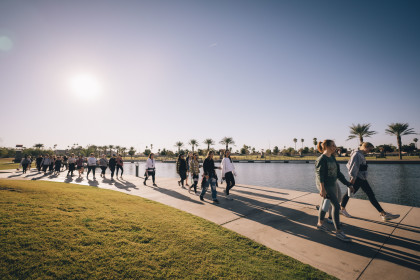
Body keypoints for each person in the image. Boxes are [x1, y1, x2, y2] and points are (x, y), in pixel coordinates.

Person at [340, 142, 400, 221]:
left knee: (370, 194)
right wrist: (352, 179)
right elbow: (353, 167)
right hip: (357, 178)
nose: (370, 151)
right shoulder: (357, 154)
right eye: (370, 149)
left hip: (362, 178)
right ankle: (342, 209)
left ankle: (383, 213)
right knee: (350, 193)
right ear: (365, 147)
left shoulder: (360, 154)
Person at [315, 139, 353, 242]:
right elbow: (320, 176)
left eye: (334, 145)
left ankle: (320, 224)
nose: (335, 147)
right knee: (336, 205)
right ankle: (339, 232)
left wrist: (348, 184)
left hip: (332, 183)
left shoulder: (332, 157)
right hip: (325, 185)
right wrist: (322, 189)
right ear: (326, 147)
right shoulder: (321, 159)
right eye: (333, 145)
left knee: (325, 204)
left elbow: (338, 174)